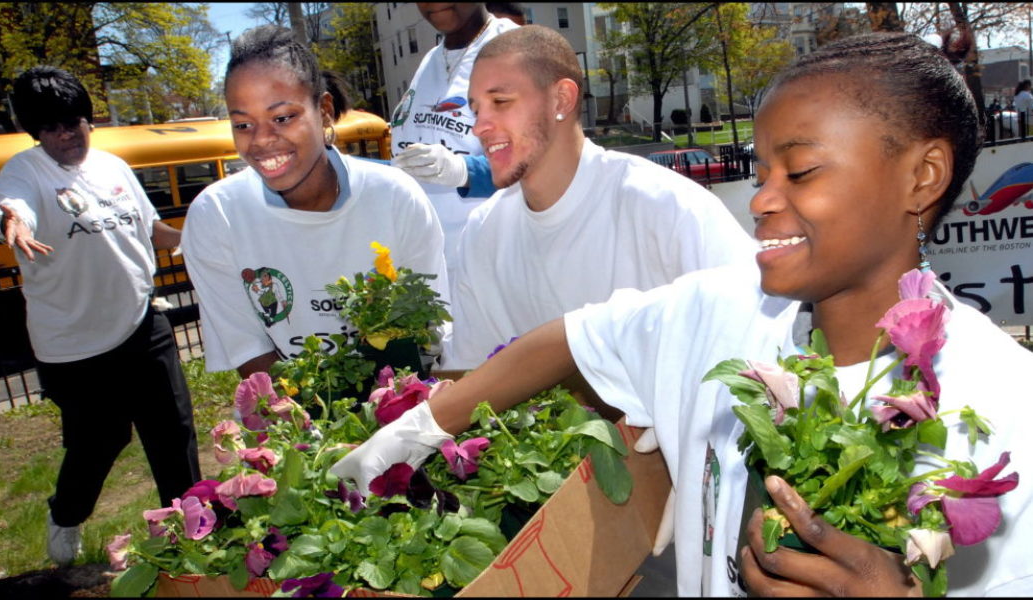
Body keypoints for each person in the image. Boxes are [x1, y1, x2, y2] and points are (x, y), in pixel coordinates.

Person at [333, 32, 1033, 596]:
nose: (760, 199)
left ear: (923, 177)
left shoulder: (1005, 401)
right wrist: (419, 429)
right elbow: (566, 341)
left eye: (802, 171)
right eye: (761, 173)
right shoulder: (719, 313)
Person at [439, 25, 756, 370]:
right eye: (476, 109)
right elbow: (471, 374)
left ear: (561, 99)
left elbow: (753, 334)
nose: (479, 126)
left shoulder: (664, 205)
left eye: (500, 102)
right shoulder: (483, 233)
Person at [0, 66, 201, 567]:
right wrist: (11, 223)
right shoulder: (25, 171)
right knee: (99, 443)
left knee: (173, 433)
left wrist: (201, 239)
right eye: (52, 127)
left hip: (143, 325)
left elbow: (154, 232)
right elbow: (11, 209)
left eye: (75, 122)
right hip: (75, 346)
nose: (67, 135)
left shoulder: (112, 167)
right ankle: (65, 516)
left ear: (88, 120)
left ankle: (196, 529)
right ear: (35, 132)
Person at [181, 26, 448, 379]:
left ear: (323, 111)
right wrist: (325, 427)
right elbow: (250, 354)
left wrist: (389, 414)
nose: (261, 140)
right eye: (243, 124)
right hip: (293, 423)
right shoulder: (216, 215)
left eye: (282, 118)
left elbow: (432, 329)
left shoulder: (395, 196)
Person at [388, 2, 518, 295]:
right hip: (432, 270)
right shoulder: (431, 61)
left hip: (496, 269)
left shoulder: (515, 50)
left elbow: (541, 158)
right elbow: (406, 163)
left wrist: (464, 171)